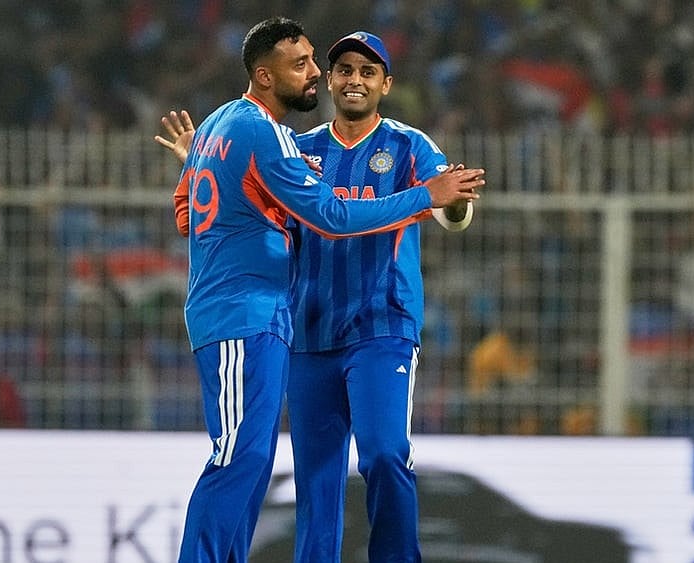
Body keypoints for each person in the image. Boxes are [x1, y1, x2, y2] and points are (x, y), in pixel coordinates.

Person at [153, 17, 484, 563]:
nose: (351, 78)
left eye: (368, 71)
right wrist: (425, 197)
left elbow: (454, 209)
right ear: (327, 81)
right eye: (339, 69)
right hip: (304, 329)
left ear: (386, 84)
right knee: (308, 481)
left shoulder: (407, 144)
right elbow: (325, 214)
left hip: (380, 325)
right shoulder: (289, 144)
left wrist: (446, 200)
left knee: (381, 455)